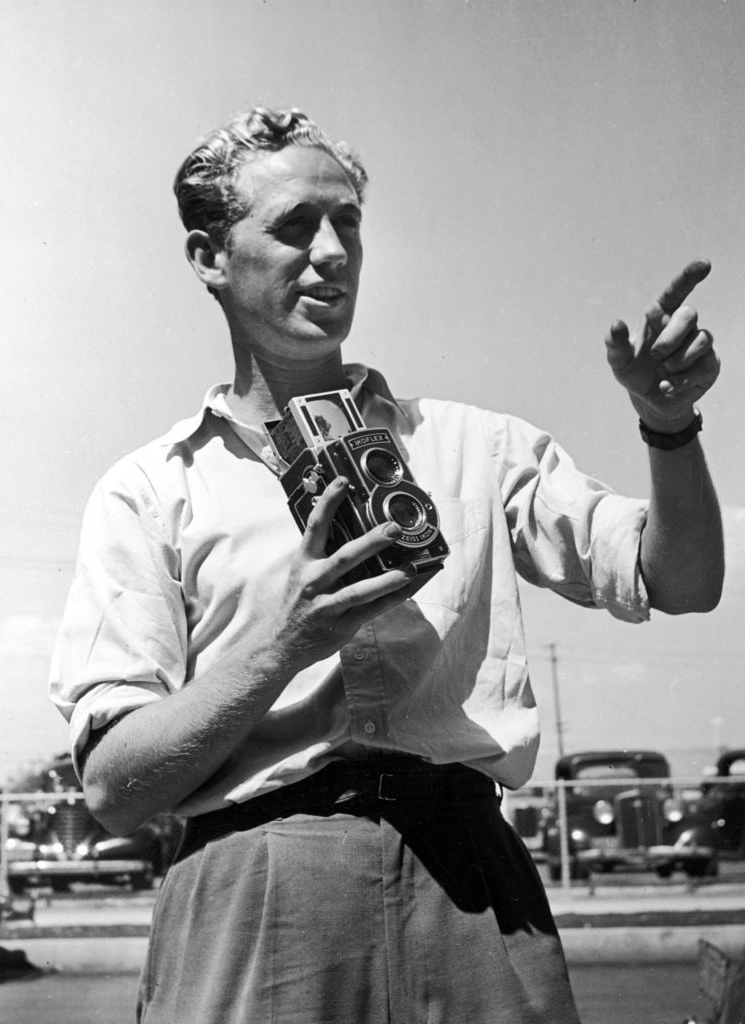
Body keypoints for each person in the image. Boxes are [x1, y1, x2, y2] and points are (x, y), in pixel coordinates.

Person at [50, 107, 724, 1023]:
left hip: (468, 884)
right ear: (209, 256)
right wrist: (282, 646)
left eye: (348, 223)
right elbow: (114, 789)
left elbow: (680, 582)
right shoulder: (150, 491)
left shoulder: (474, 447)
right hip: (257, 894)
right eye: (293, 226)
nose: (331, 251)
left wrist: (668, 427)